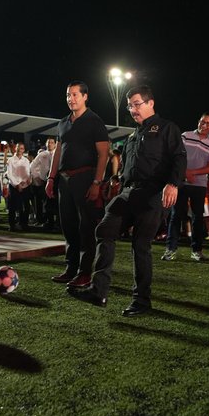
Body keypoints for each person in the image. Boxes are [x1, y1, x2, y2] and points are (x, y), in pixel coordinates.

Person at [67, 85, 185, 317]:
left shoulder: (167, 128)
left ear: (151, 103)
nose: (132, 109)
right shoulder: (133, 135)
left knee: (140, 245)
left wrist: (173, 184)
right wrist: (117, 182)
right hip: (128, 193)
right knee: (104, 230)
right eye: (129, 106)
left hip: (153, 193)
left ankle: (142, 300)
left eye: (137, 104)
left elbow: (179, 157)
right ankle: (98, 290)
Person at [45, 81, 110, 288]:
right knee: (68, 226)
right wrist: (51, 178)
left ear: (85, 97)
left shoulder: (94, 121)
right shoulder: (63, 122)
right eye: (68, 95)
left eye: (74, 95)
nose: (70, 99)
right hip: (64, 180)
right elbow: (58, 152)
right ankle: (71, 268)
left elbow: (104, 154)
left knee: (86, 227)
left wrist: (97, 182)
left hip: (85, 178)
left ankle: (85, 272)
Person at [163, 113, 209, 261]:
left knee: (197, 218)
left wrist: (190, 172)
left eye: (208, 123)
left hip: (199, 185)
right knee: (176, 215)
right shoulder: (186, 136)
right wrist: (185, 173)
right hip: (181, 183)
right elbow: (176, 156)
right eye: (202, 121)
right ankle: (170, 249)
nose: (204, 125)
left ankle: (196, 251)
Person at [29, 137, 58, 230]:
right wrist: (37, 177)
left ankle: (58, 223)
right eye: (48, 142)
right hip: (45, 181)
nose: (50, 144)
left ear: (55, 144)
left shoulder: (58, 154)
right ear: (46, 144)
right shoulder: (42, 154)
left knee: (57, 202)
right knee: (46, 203)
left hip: (57, 181)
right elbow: (32, 166)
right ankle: (48, 222)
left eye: (52, 142)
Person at [5, 142, 32, 231]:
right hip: (14, 186)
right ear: (15, 149)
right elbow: (9, 174)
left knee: (25, 206)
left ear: (24, 150)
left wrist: (25, 182)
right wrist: (17, 184)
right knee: (12, 207)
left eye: (22, 148)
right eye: (18, 148)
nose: (20, 150)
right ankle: (12, 225)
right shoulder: (10, 160)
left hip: (25, 186)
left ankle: (23, 224)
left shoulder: (26, 161)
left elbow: (27, 173)